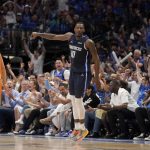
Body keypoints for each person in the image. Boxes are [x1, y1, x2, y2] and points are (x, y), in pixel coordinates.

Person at [31, 21, 101, 141]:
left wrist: (96, 78)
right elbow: (53, 36)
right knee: (73, 99)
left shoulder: (88, 42)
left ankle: (82, 128)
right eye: (77, 27)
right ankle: (77, 128)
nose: (79, 29)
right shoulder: (70, 36)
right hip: (73, 72)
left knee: (78, 99)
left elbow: (96, 59)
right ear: (74, 29)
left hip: (83, 73)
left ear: (84, 30)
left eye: (81, 28)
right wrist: (39, 34)